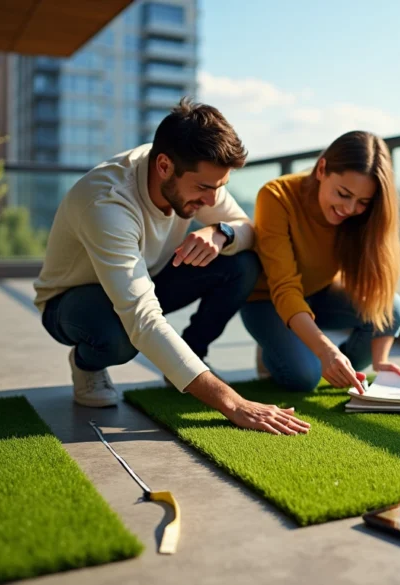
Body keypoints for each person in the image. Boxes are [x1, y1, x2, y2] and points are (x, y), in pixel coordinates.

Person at [33, 98, 309, 436]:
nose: (211, 201)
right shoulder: (108, 203)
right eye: (204, 188)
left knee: (242, 262)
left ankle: (188, 359)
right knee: (120, 337)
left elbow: (248, 229)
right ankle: (86, 363)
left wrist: (220, 232)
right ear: (164, 166)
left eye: (218, 188)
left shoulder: (194, 168)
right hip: (72, 303)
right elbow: (142, 318)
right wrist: (232, 403)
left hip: (150, 276)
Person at [241, 130, 400, 393]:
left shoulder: (361, 215)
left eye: (362, 202)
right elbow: (285, 288)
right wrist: (325, 350)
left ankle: (323, 359)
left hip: (320, 295)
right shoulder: (276, 196)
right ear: (322, 169)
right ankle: (275, 352)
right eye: (343, 194)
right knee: (304, 377)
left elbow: (378, 294)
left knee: (394, 308)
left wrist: (380, 362)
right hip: (268, 301)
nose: (349, 209)